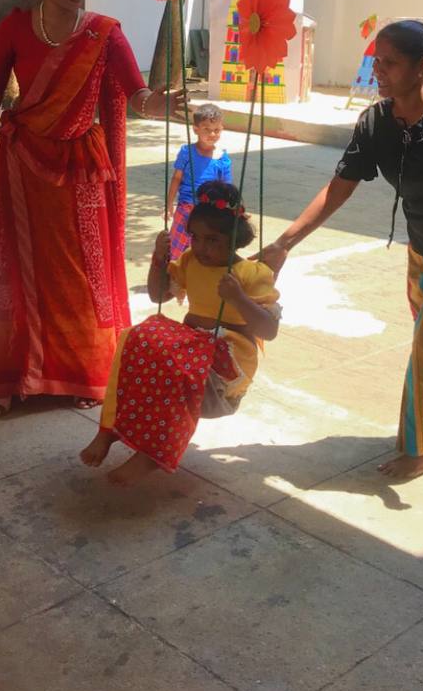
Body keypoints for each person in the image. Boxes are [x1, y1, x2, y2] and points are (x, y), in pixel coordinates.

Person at [265, 19, 423, 482]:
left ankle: (422, 449)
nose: (377, 70)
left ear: (422, 67)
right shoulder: (376, 122)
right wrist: (284, 243)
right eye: (375, 60)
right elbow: (338, 188)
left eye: (390, 62)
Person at [0, 0, 185, 417]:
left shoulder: (103, 32)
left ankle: (86, 372)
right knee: (21, 271)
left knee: (84, 273)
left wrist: (158, 103)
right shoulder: (16, 27)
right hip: (21, 168)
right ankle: (15, 375)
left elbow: (135, 93)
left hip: (80, 169)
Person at [80, 179, 280, 486]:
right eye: (195, 238)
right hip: (191, 347)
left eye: (212, 240)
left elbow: (269, 330)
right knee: (136, 339)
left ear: (234, 239)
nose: (201, 247)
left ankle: (152, 456)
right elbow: (158, 296)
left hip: (227, 360)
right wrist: (159, 259)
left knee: (174, 370)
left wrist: (238, 298)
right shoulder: (189, 260)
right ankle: (109, 430)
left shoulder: (251, 274)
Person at [167, 102, 232, 260]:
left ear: (222, 129)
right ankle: (173, 277)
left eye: (216, 130)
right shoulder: (186, 152)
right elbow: (177, 178)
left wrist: (232, 210)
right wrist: (169, 204)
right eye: (207, 130)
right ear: (196, 129)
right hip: (185, 208)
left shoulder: (222, 158)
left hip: (209, 210)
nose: (212, 134)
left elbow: (227, 188)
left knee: (202, 249)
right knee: (176, 247)